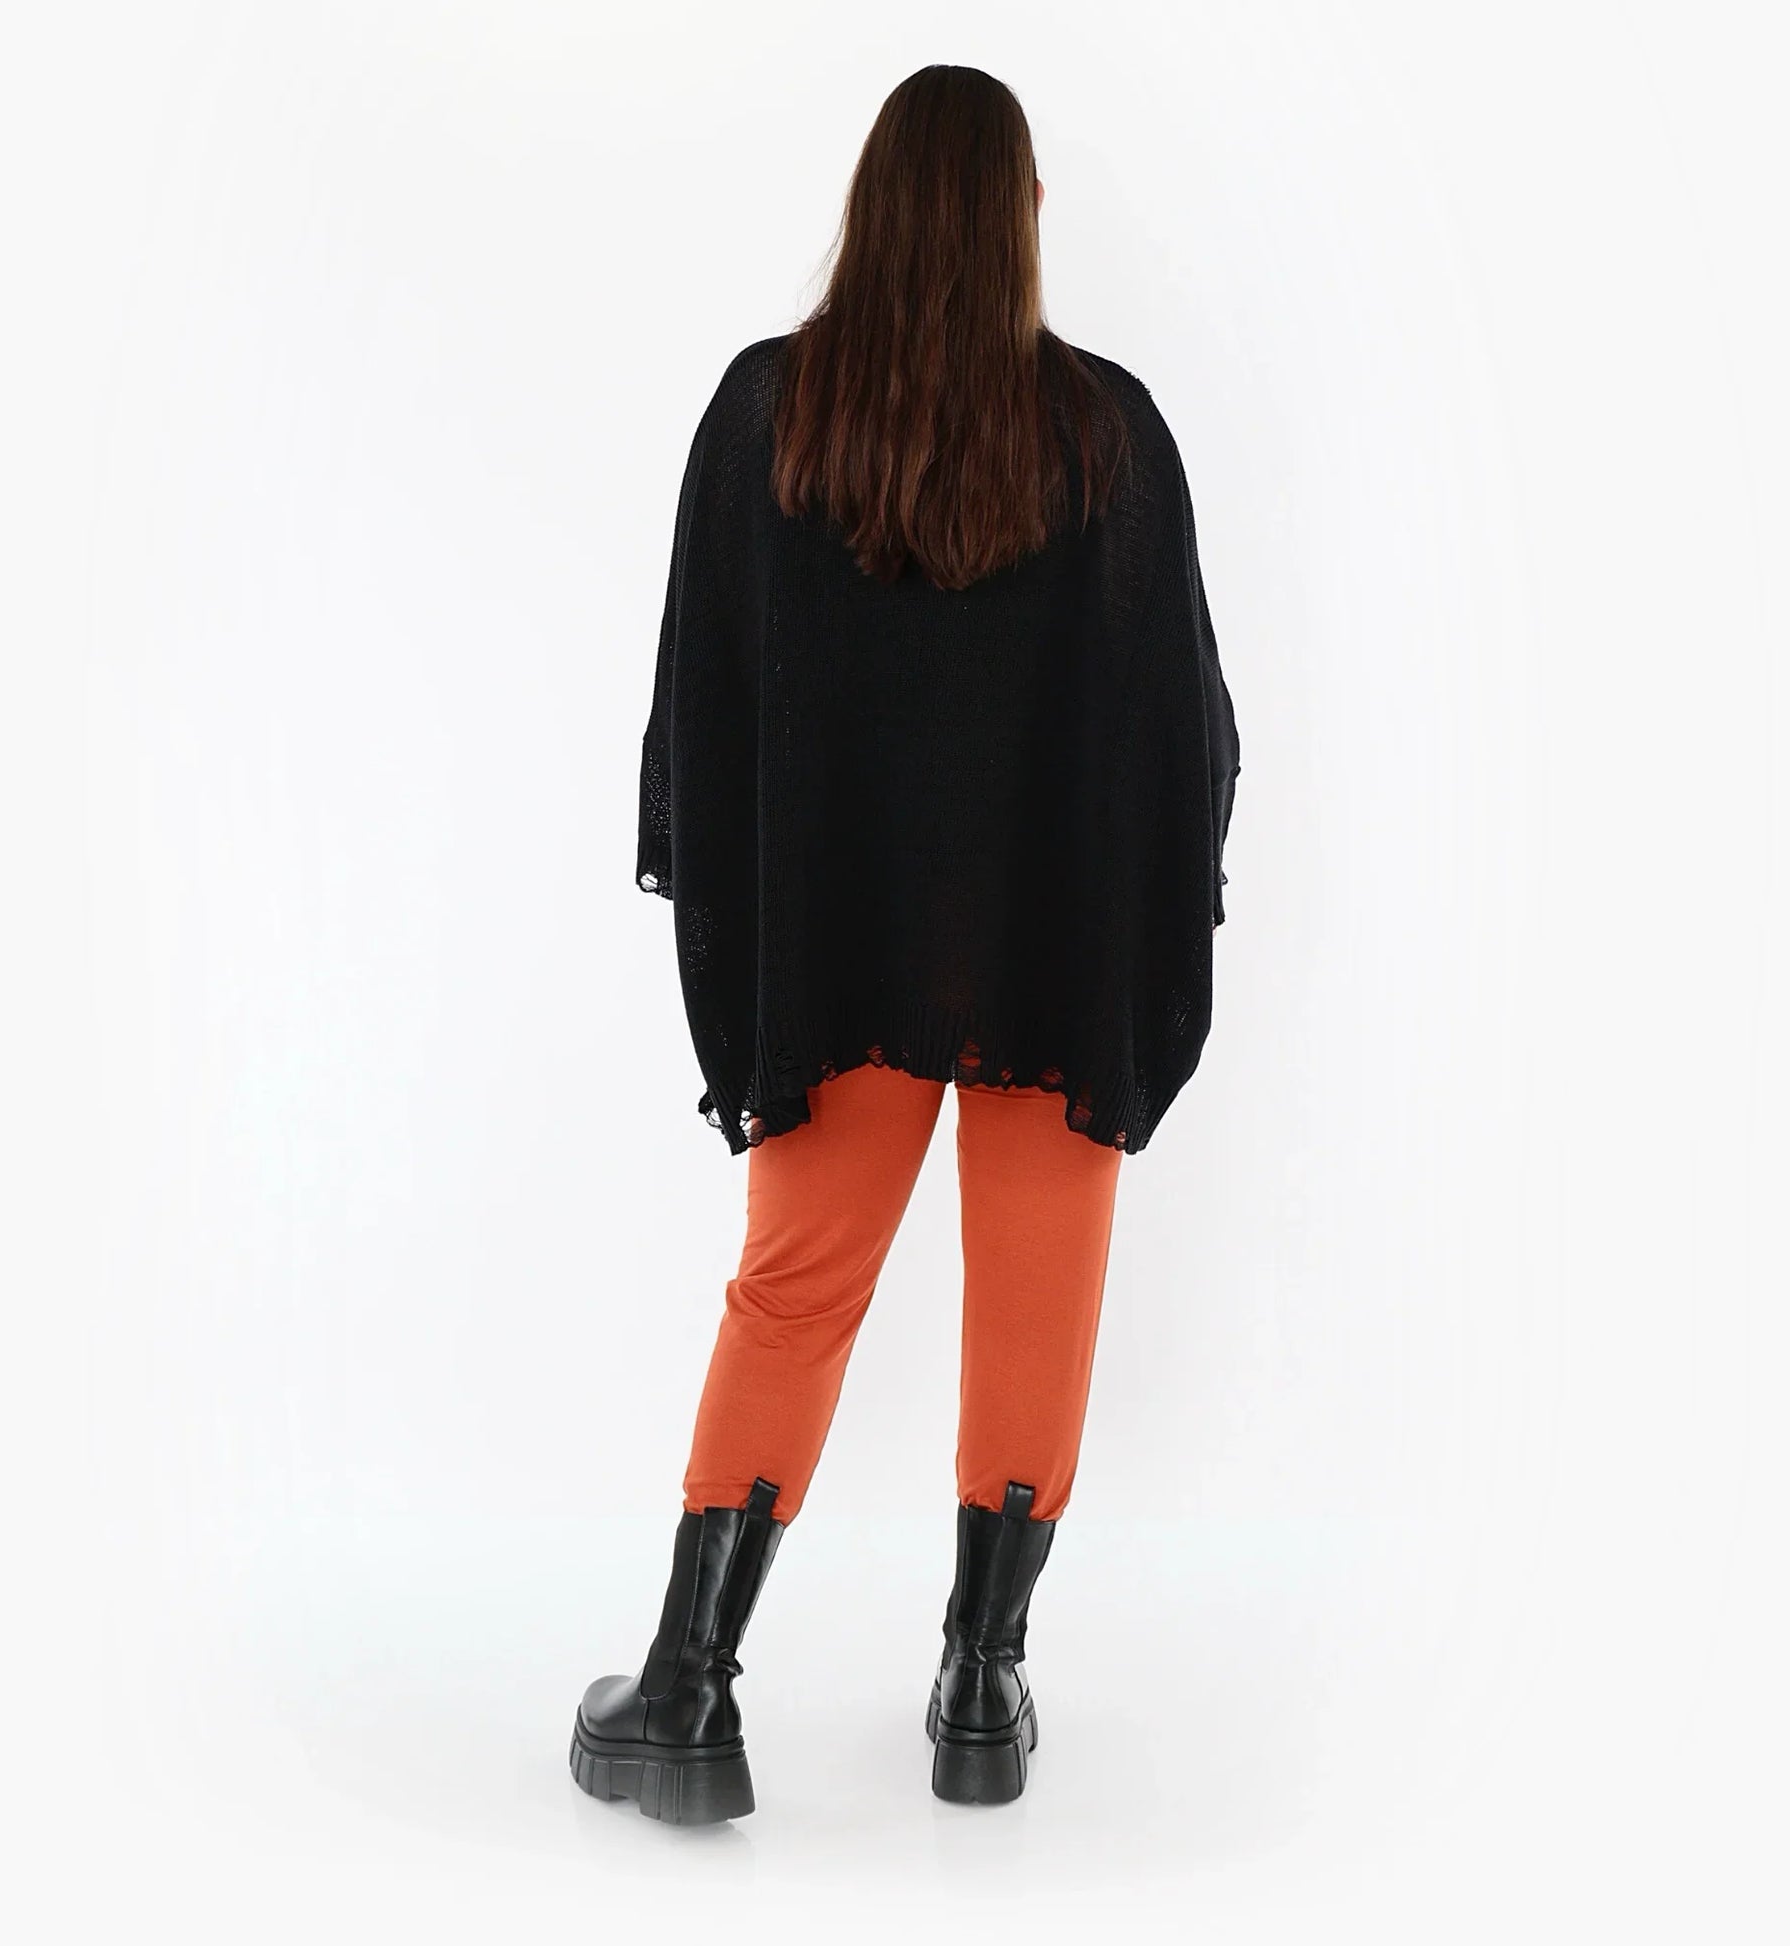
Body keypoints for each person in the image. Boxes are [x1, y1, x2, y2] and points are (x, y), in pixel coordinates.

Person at [569, 63, 1240, 1823]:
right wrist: (1139, 948)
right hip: (1049, 968)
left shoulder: (768, 415)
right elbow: (1181, 730)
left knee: (789, 1296)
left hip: (846, 964)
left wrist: (745, 947)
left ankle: (688, 1688)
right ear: (1022, 220)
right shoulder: (1105, 434)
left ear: (869, 207)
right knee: (1038, 1303)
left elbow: (700, 708)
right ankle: (979, 1684)